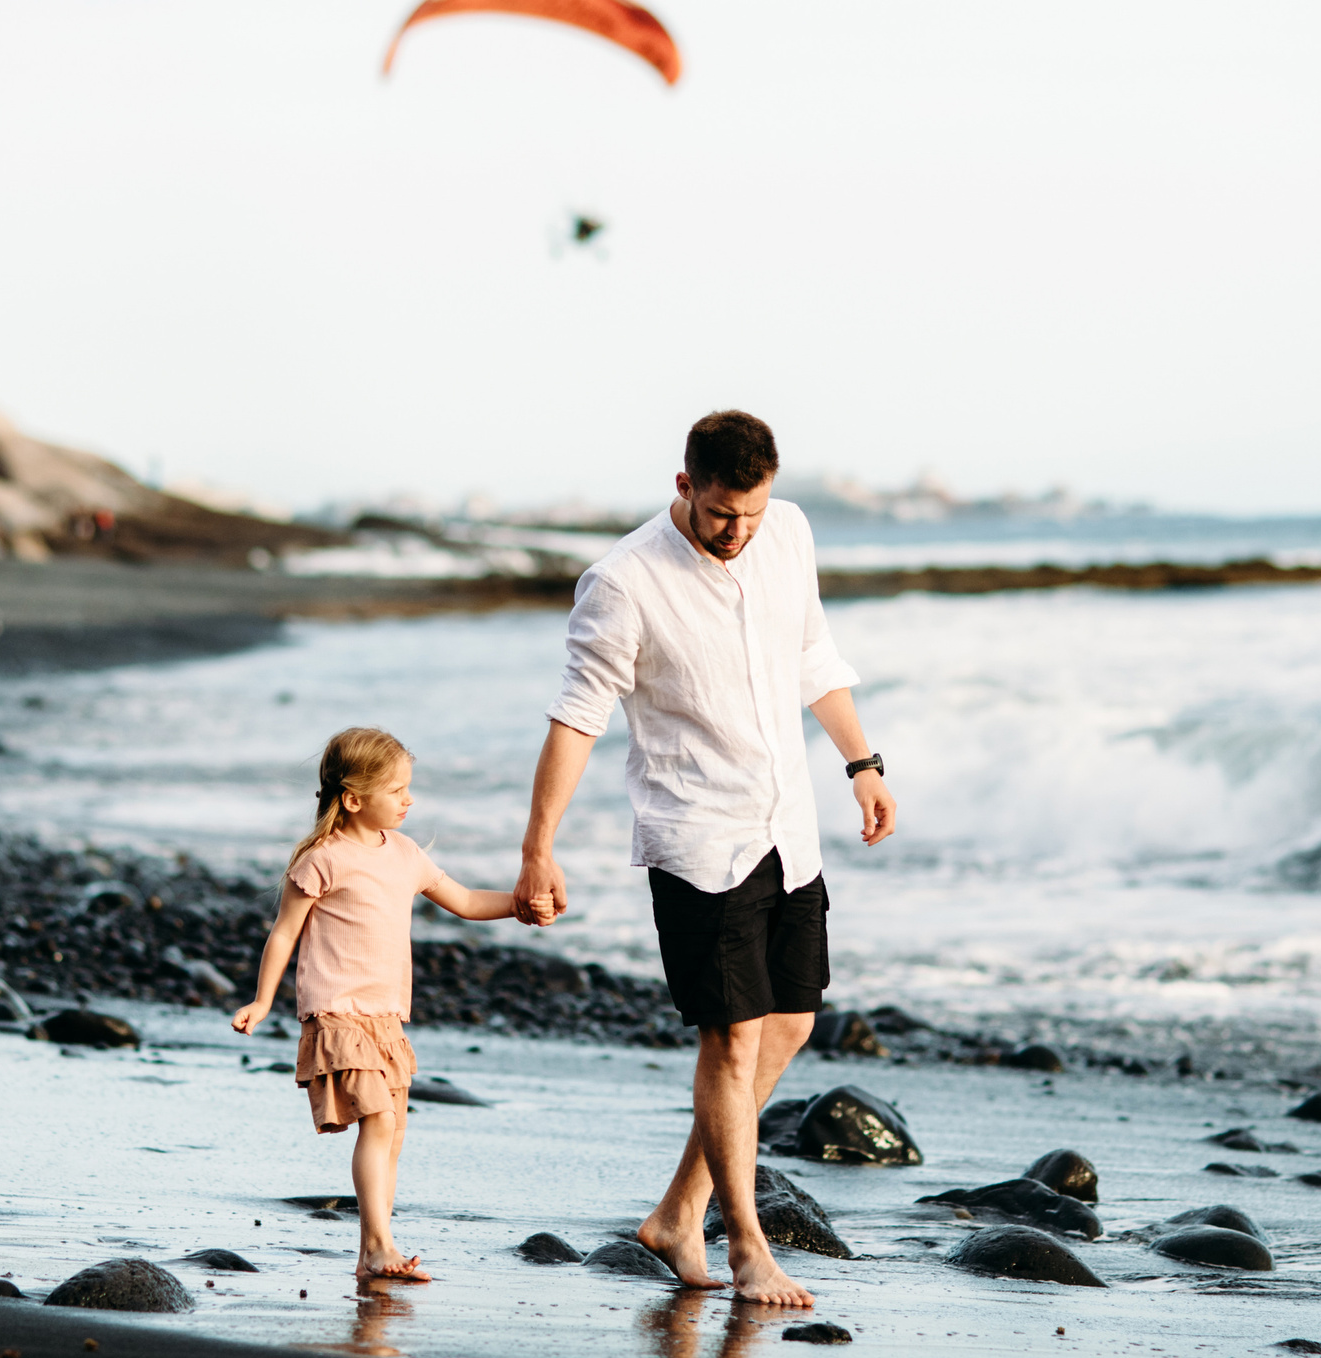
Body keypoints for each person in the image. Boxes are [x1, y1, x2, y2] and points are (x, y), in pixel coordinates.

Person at [516, 410, 898, 1308]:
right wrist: (539, 849)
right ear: (685, 485)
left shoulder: (790, 531)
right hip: (698, 838)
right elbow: (577, 718)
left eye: (752, 514)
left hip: (786, 830)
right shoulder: (623, 581)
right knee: (728, 1038)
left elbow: (813, 656)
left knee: (791, 1023)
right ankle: (747, 1247)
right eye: (724, 514)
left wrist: (862, 761)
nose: (739, 532)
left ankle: (678, 1212)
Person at [231, 727, 542, 1281]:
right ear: (353, 799)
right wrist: (261, 1000)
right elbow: (283, 934)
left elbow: (466, 901)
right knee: (376, 1120)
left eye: (409, 788)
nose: (409, 799)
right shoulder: (321, 859)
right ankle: (379, 1246)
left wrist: (520, 905)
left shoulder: (404, 854)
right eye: (396, 790)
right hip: (337, 1010)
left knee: (393, 1127)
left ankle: (371, 1252)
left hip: (386, 1016)